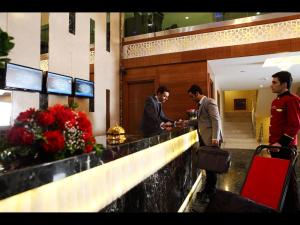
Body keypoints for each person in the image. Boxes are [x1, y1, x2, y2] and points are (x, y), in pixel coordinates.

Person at [177, 84, 223, 203]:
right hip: (204, 138)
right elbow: (200, 121)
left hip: (211, 140)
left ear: (197, 93)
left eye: (192, 96)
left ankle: (211, 192)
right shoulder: (201, 105)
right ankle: (207, 189)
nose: (192, 99)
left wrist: (215, 138)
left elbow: (216, 119)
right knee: (208, 167)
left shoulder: (209, 102)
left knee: (212, 167)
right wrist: (186, 122)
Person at [269, 71, 300, 212]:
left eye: (275, 82)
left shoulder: (292, 99)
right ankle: (281, 206)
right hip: (275, 147)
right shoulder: (276, 101)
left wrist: (280, 143)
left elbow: (294, 125)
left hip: (285, 148)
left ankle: (292, 208)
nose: (272, 85)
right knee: (279, 178)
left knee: (289, 180)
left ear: (284, 84)